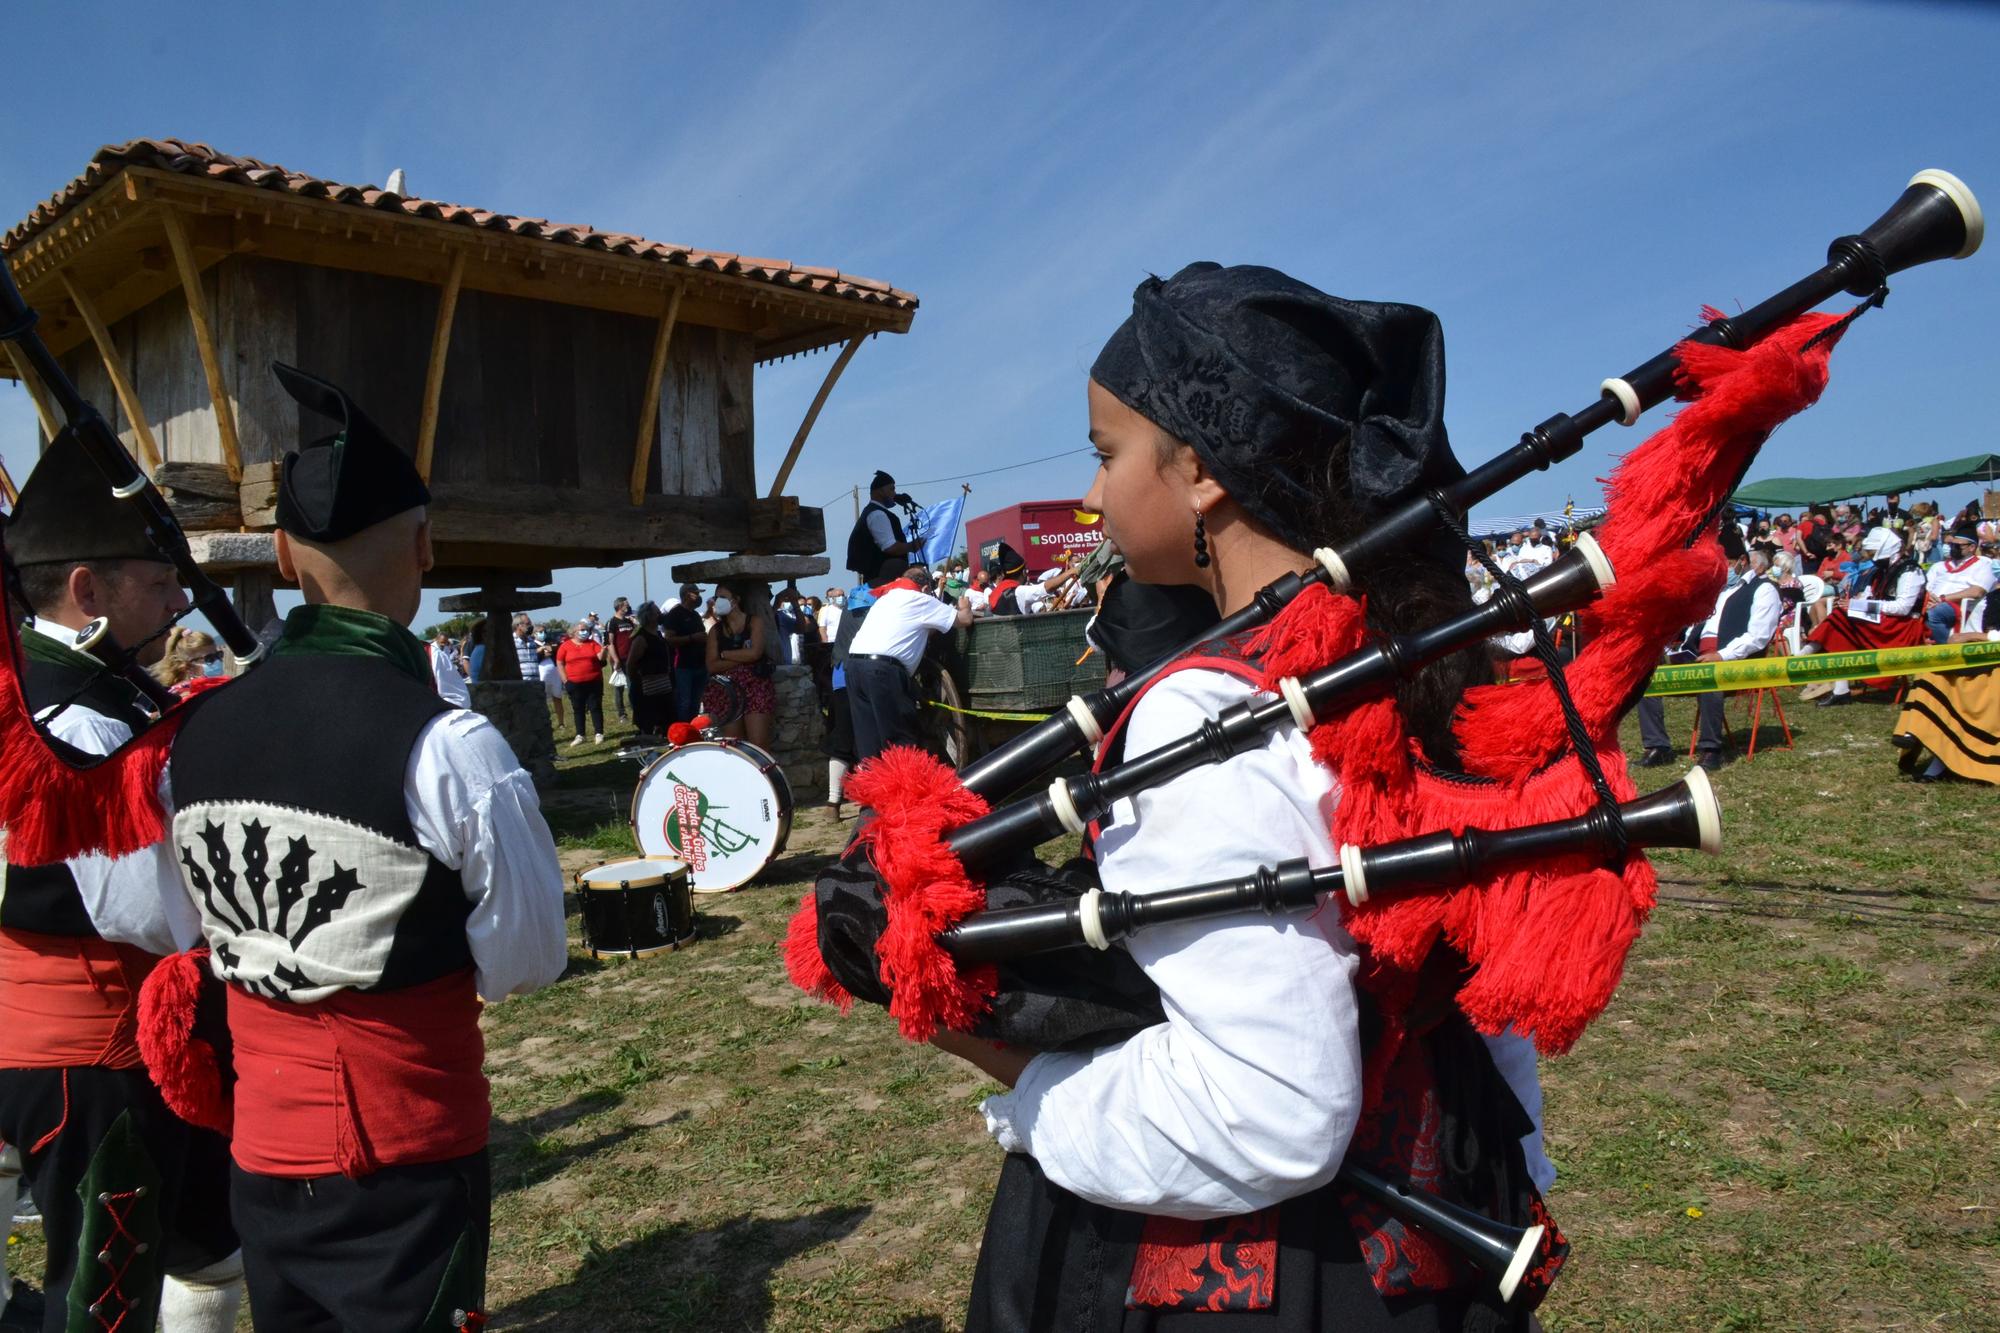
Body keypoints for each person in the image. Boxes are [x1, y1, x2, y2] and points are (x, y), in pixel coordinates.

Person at [925, 264, 1553, 1330]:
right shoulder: (1397, 648)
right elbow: (1482, 1019)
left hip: (1279, 1273)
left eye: (1105, 453)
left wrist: (988, 1053)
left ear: (1201, 470)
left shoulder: (1205, 718)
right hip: (1434, 1217)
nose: (1091, 494)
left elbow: (1269, 1116)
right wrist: (1513, 1153)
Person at [157, 362, 567, 1331]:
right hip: (406, 1144)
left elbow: (193, 928)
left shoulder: (191, 733)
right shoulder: (449, 743)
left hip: (257, 1145)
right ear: (424, 545)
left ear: (287, 557)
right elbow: (526, 960)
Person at [0, 442, 248, 1332]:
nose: (180, 601)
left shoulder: (65, 694)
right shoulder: (80, 722)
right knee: (106, 1302)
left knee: (209, 1252)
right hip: (94, 1054)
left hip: (101, 1041)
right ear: (87, 589)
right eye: (158, 581)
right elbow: (153, 912)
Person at [1635, 534, 1783, 770]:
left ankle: (1711, 749)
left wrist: (1722, 655)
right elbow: (1693, 629)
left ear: (1742, 561)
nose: (1720, 570)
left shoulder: (1764, 589)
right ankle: (1658, 747)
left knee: (1709, 677)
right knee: (1644, 678)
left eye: (1724, 563)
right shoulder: (1717, 592)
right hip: (1698, 656)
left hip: (1735, 661)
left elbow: (1758, 636)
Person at [844, 562, 971, 763]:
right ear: (926, 588)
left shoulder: (886, 599)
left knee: (869, 745)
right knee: (901, 741)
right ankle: (908, 791)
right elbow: (963, 620)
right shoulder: (920, 599)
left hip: (854, 667)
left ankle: (873, 791)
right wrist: (965, 605)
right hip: (882, 672)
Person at [1799, 525, 1928, 705]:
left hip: (1902, 627)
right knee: (1842, 615)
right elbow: (1871, 594)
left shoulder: (1909, 571)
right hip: (1883, 620)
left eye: (1874, 550)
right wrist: (1858, 601)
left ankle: (1804, 655)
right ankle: (1838, 686)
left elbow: (1902, 607)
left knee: (1842, 617)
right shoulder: (1883, 570)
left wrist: (1862, 605)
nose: (1871, 555)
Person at [705, 581, 775, 748]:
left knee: (758, 744)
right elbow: (712, 665)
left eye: (722, 597)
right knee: (734, 746)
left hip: (755, 686)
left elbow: (755, 653)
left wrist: (725, 655)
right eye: (716, 597)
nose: (717, 601)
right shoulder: (716, 630)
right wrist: (742, 656)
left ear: (735, 600)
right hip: (726, 691)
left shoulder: (754, 622)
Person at [1924, 528, 1994, 642]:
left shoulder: (1984, 564)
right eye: (1952, 544)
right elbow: (1925, 588)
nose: (1953, 548)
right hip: (1931, 602)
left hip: (1958, 605)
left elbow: (1977, 591)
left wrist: (1942, 599)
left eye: (1958, 546)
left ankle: (1948, 647)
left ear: (1971, 547)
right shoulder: (1938, 566)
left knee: (1934, 613)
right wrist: (1928, 597)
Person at [845, 471, 914, 585]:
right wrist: (913, 546)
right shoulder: (877, 514)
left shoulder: (873, 512)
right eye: (891, 489)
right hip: (883, 582)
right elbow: (890, 547)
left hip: (882, 581)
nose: (894, 494)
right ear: (880, 491)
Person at [623, 602, 675, 737]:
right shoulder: (641, 638)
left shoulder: (657, 634)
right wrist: (638, 682)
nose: (660, 615)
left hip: (663, 685)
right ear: (650, 616)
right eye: (657, 613)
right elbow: (630, 664)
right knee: (648, 723)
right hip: (647, 689)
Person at [662, 583, 710, 724]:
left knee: (695, 702)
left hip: (700, 664)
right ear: (687, 595)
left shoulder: (695, 615)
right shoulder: (675, 614)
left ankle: (693, 731)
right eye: (696, 593)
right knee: (684, 702)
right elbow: (669, 639)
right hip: (683, 665)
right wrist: (691, 638)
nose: (699, 597)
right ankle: (683, 731)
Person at [555, 620, 608, 746]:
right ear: (574, 632)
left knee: (595, 707)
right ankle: (580, 735)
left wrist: (605, 650)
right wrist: (565, 680)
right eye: (582, 630)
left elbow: (601, 657)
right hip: (574, 683)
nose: (585, 632)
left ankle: (599, 733)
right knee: (578, 709)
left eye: (586, 630)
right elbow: (560, 662)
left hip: (594, 681)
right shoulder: (565, 646)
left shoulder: (592, 643)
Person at [154, 625, 226, 696]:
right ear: (187, 667)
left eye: (218, 654)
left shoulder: (218, 685)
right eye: (209, 658)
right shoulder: (182, 697)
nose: (217, 661)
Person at [607, 597, 638, 722]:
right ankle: (622, 714)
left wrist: (635, 623)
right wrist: (615, 659)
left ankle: (636, 710)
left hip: (631, 658)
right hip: (620, 659)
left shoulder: (629, 621)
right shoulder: (613, 622)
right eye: (627, 605)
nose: (629, 606)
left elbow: (636, 635)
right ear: (620, 606)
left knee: (633, 686)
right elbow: (610, 642)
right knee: (619, 687)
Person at [426, 629, 471, 707]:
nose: (444, 644)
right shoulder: (434, 652)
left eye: (445, 642)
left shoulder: (446, 648)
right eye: (442, 642)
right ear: (437, 639)